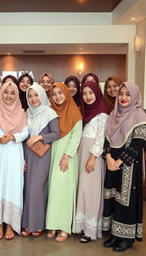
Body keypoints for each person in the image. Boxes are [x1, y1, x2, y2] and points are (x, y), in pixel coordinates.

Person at [102, 82, 146, 252]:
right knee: (112, 197)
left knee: (125, 200)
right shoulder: (113, 114)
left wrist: (118, 161)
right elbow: (107, 139)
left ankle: (126, 238)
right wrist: (107, 157)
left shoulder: (139, 115)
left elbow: (138, 143)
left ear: (134, 95)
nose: (123, 98)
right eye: (121, 94)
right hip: (111, 163)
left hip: (128, 165)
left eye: (128, 94)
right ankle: (115, 234)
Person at [0, 81, 28, 240]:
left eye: (12, 93)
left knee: (13, 186)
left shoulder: (21, 111)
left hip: (14, 152)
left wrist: (14, 136)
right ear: (1, 93)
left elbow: (26, 131)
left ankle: (10, 224)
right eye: (6, 92)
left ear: (16, 95)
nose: (9, 96)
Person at [22, 84, 60, 237]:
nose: (33, 99)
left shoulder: (49, 112)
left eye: (36, 95)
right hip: (27, 153)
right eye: (30, 96)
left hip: (42, 154)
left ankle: (37, 224)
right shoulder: (26, 113)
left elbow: (56, 134)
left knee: (36, 188)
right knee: (27, 188)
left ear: (42, 95)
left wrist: (40, 137)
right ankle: (27, 223)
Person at [46, 82, 82, 242]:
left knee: (65, 191)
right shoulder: (50, 112)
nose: (57, 96)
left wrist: (67, 155)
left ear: (67, 93)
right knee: (53, 190)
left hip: (67, 157)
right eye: (54, 94)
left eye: (61, 93)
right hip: (52, 155)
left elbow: (76, 136)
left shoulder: (75, 112)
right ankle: (53, 223)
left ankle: (65, 227)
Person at [75, 80, 109, 243]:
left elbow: (101, 139)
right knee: (82, 189)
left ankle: (90, 230)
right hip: (83, 155)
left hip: (92, 157)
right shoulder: (84, 111)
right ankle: (81, 226)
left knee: (91, 192)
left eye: (91, 92)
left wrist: (92, 157)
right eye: (85, 93)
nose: (88, 97)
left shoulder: (102, 113)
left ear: (97, 93)